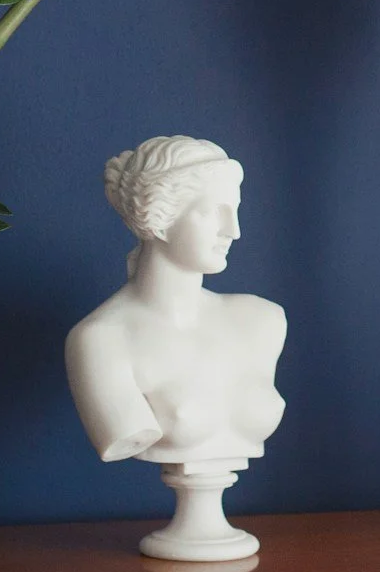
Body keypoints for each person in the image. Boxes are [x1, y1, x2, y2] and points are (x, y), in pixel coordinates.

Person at [67, 136, 287, 468]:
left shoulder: (262, 320)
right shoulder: (101, 340)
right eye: (214, 213)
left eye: (235, 210)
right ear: (160, 220)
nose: (234, 230)